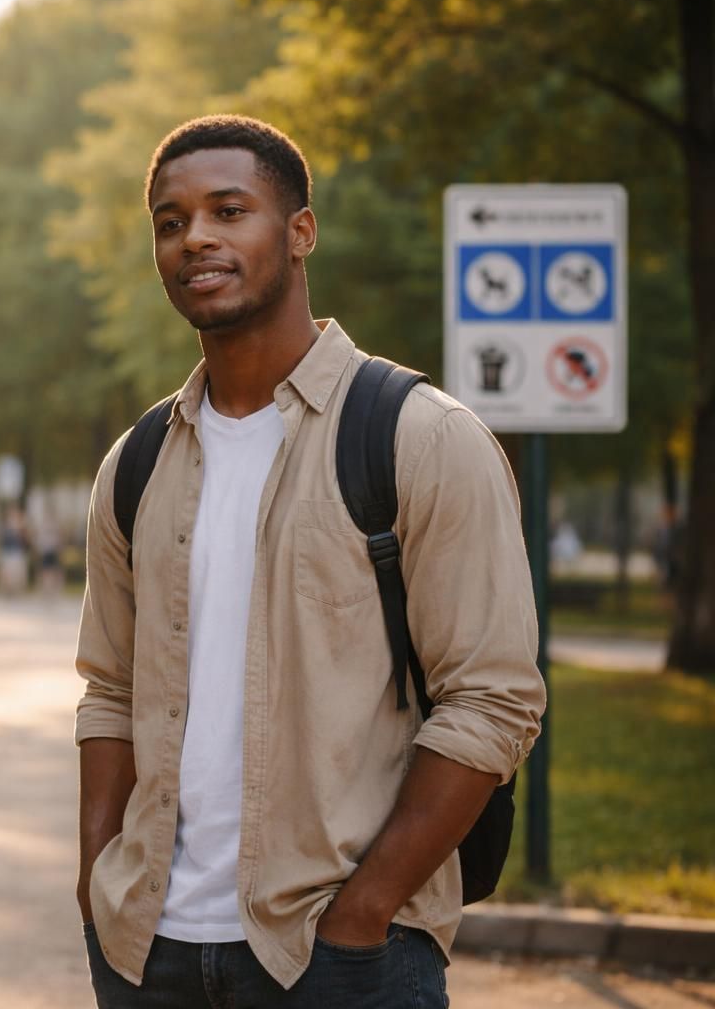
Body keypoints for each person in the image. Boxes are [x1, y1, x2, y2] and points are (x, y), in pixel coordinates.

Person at [74, 115, 546, 1007]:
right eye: (170, 222)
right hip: (149, 954)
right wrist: (96, 889)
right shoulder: (137, 464)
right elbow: (108, 690)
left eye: (228, 210)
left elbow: (493, 698)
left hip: (339, 958)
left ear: (300, 233)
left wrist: (363, 914)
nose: (196, 238)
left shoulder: (419, 437)